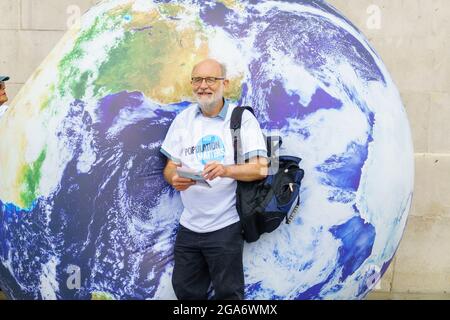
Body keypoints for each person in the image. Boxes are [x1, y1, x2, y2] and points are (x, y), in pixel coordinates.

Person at [160, 58, 268, 300]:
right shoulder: (183, 120)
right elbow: (170, 166)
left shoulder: (242, 120)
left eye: (210, 79)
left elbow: (261, 168)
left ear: (225, 84)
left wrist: (225, 170)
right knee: (186, 293)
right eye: (197, 80)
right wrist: (173, 179)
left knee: (229, 295)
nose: (203, 86)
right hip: (189, 227)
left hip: (225, 227)